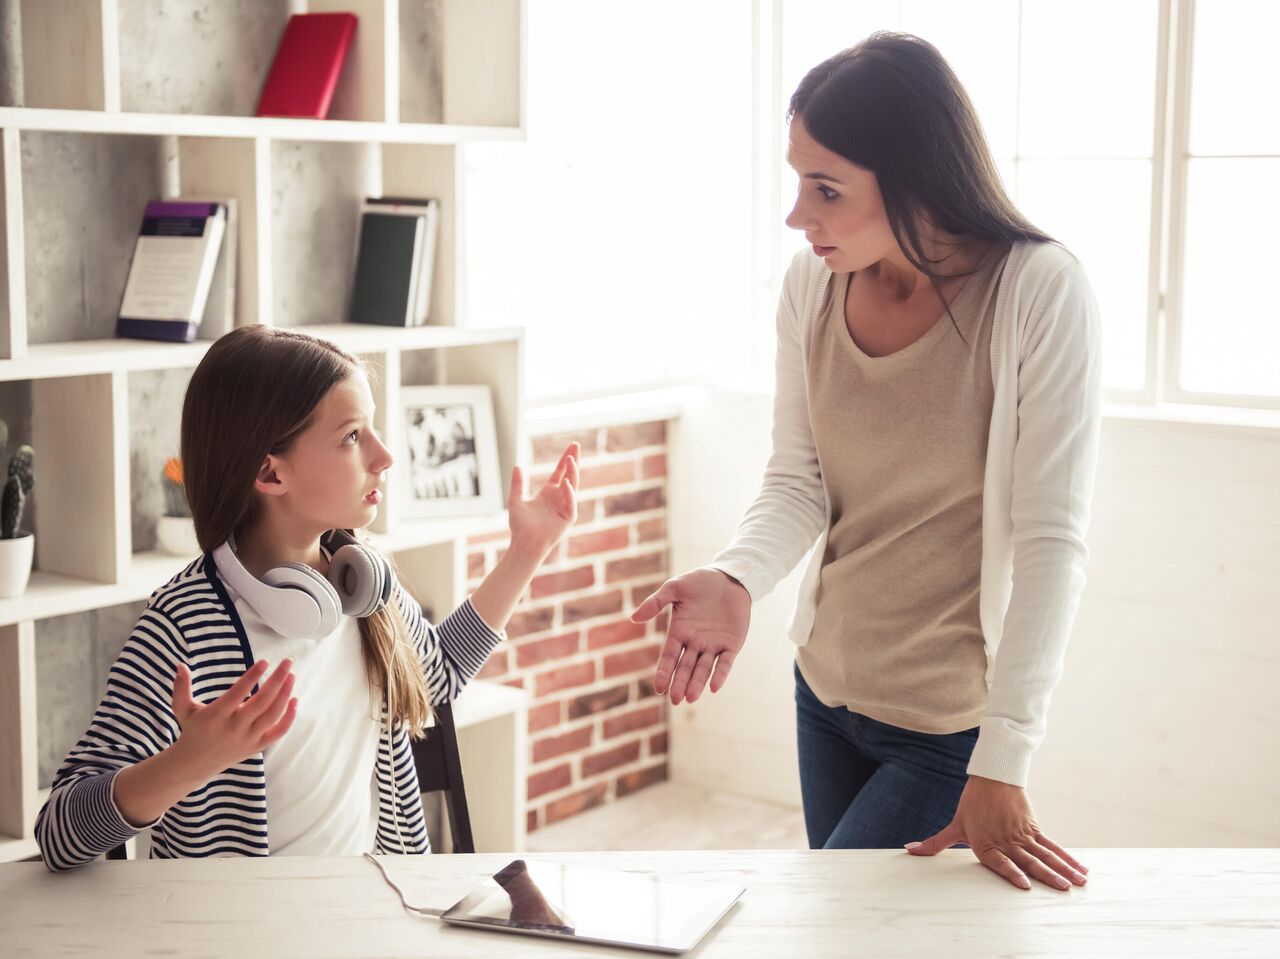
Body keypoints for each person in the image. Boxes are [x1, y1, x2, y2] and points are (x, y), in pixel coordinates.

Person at [632, 32, 1100, 893]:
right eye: (797, 179)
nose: (796, 215)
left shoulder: (1038, 292)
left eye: (826, 188)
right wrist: (738, 578)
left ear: (915, 176)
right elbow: (798, 480)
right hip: (827, 695)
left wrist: (1006, 756)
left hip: (946, 728)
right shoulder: (811, 287)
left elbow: (1051, 541)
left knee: (834, 931)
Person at [35, 325, 579, 871]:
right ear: (271, 472)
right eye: (351, 436)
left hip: (378, 912)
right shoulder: (182, 627)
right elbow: (59, 834)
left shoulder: (362, 583)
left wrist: (526, 551)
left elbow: (435, 676)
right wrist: (187, 763)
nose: (384, 455)